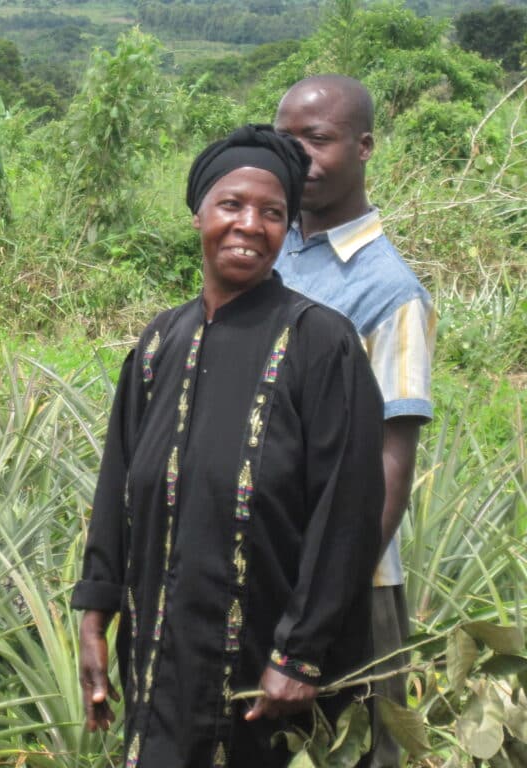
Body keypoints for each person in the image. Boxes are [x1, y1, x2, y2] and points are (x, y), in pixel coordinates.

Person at [72, 124, 385, 767]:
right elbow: (118, 486)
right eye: (232, 205)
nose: (250, 224)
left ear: (288, 229)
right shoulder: (160, 345)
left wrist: (299, 655)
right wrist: (94, 617)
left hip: (265, 682)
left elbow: (346, 512)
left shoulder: (320, 344)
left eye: (272, 213)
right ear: (198, 217)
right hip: (160, 660)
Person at [274, 75, 436, 768]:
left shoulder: (389, 289)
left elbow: (389, 466)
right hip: (266, 571)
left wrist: (324, 607)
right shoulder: (268, 248)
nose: (300, 157)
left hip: (350, 593)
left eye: (319, 140)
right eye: (286, 141)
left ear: (364, 146)